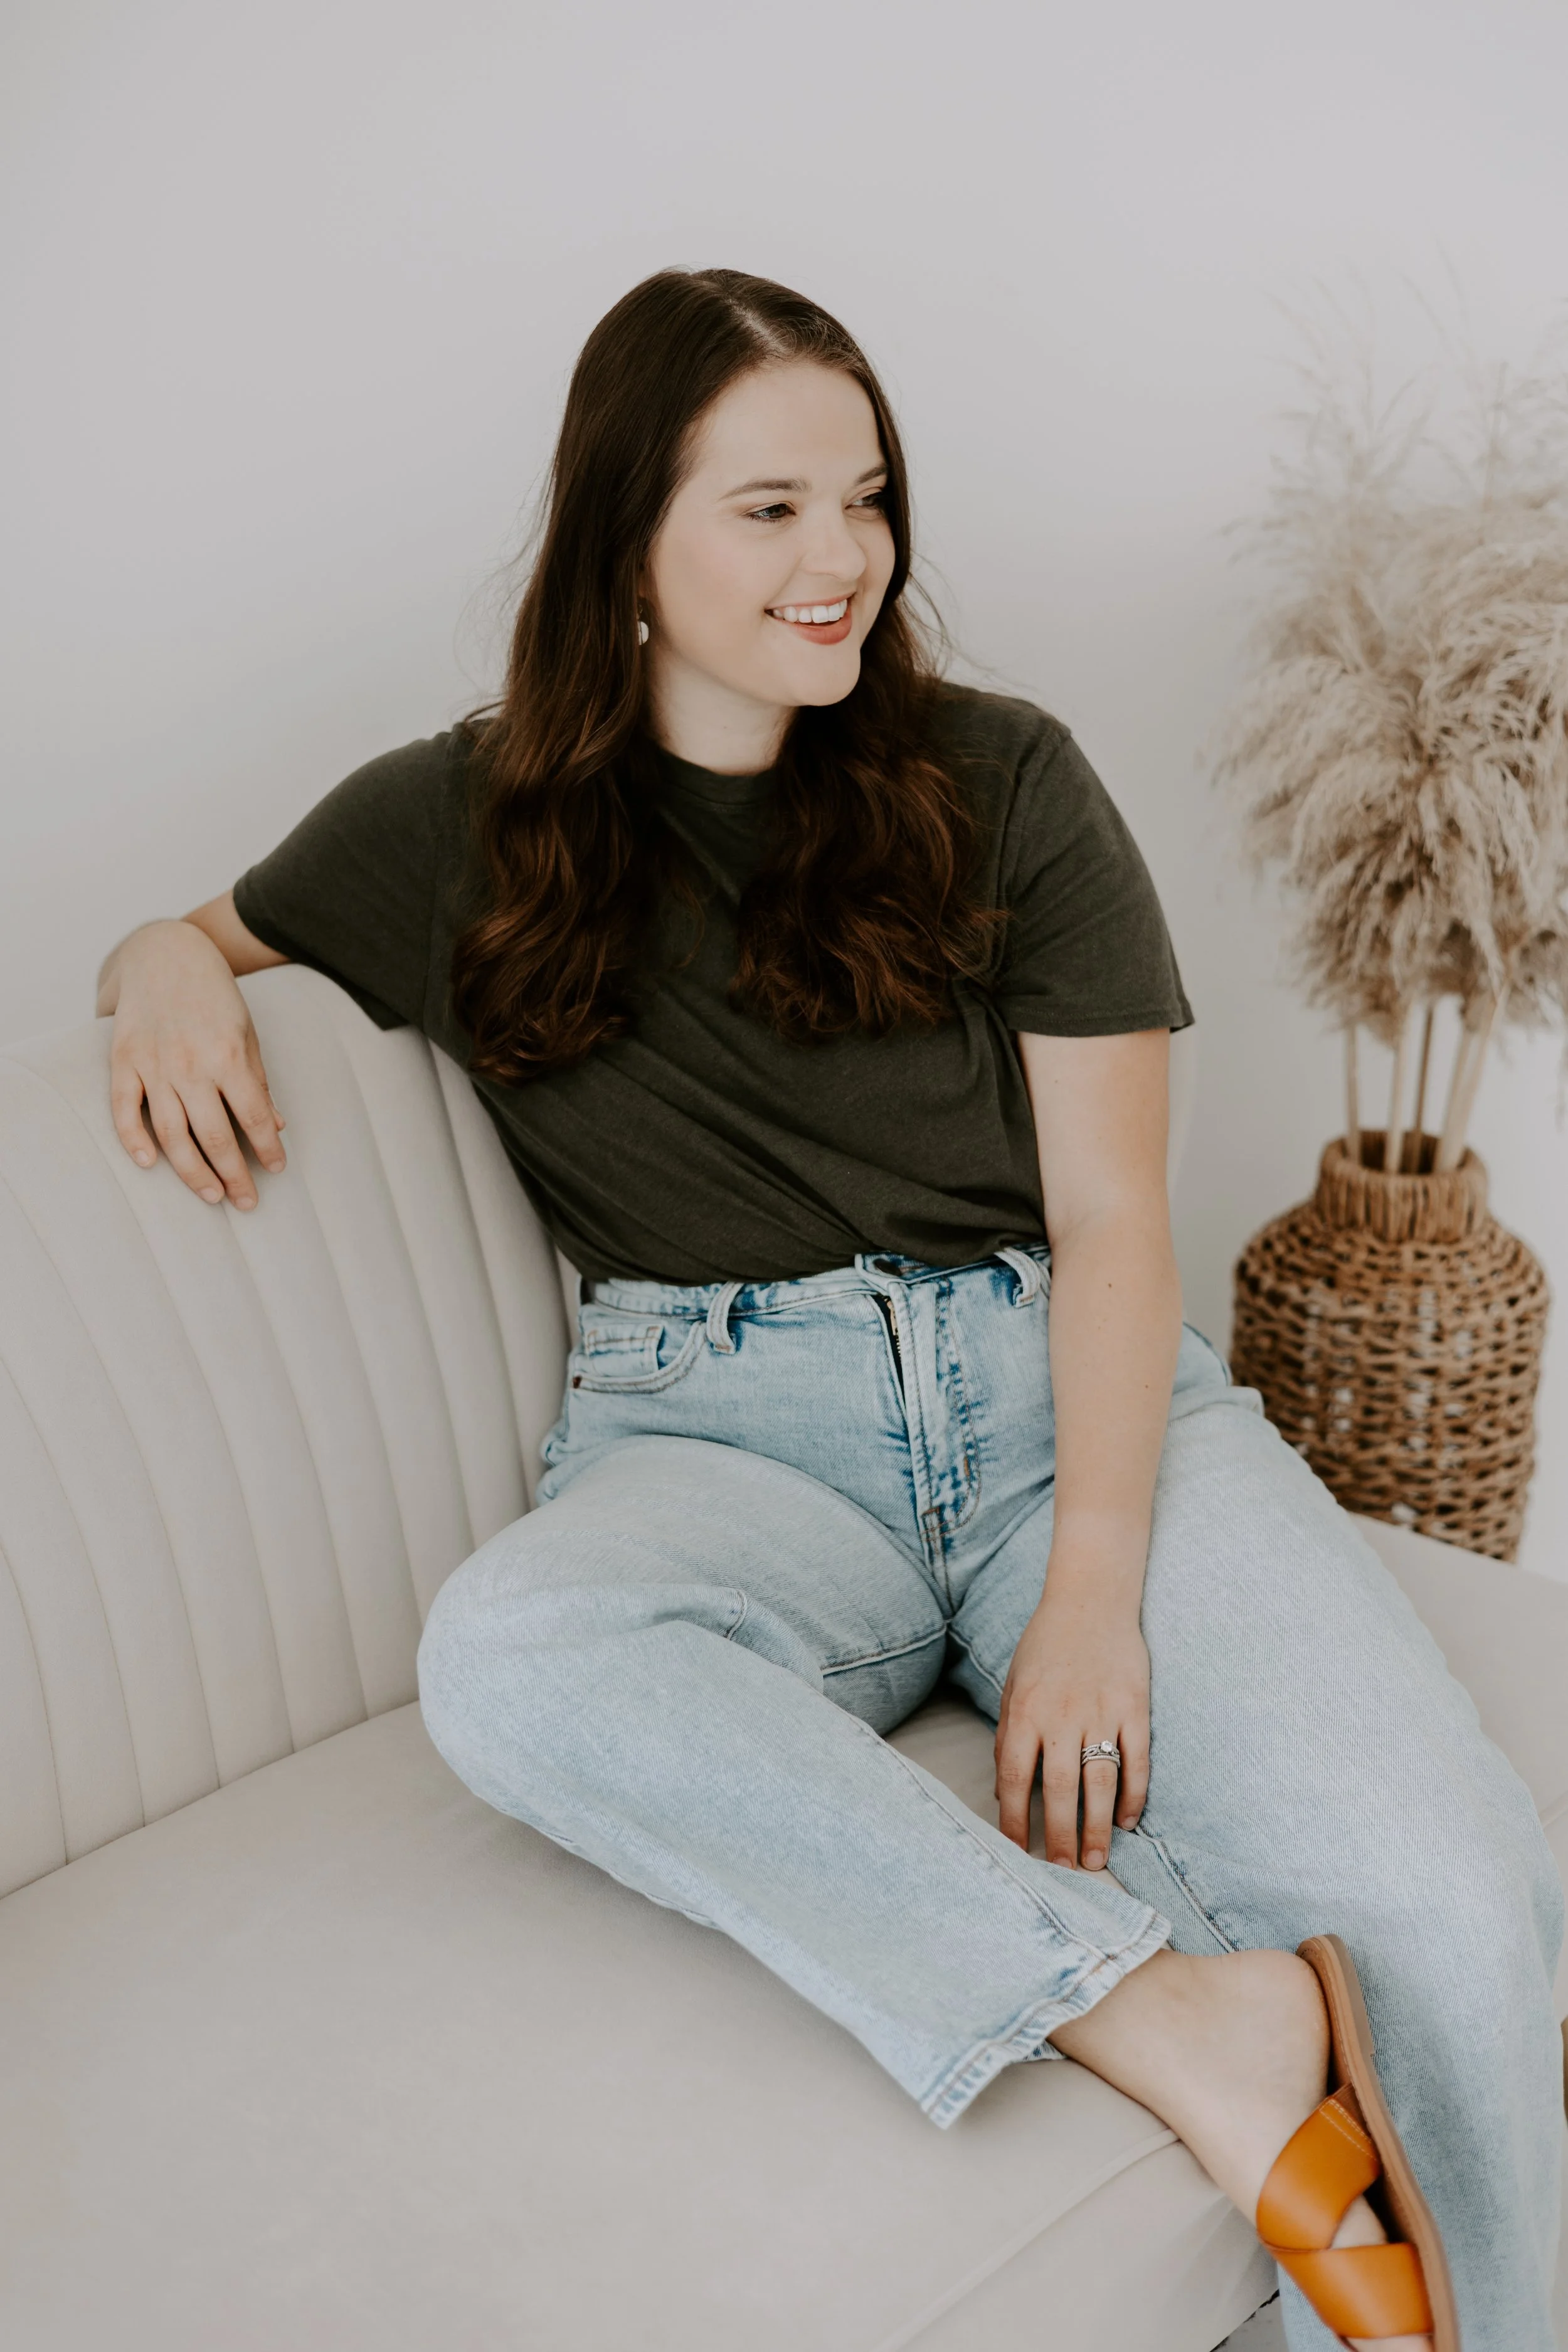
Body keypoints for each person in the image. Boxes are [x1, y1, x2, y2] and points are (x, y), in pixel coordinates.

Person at [97, 268, 1559, 2352]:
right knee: (512, 1653)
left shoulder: (1005, 779)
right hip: (717, 1438)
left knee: (1446, 1886)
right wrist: (154, 965)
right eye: (768, 507)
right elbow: (198, 934)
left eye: (861, 497)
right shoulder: (454, 822)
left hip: (1058, 1385)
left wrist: (1092, 1586)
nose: (842, 558)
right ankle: (1167, 2012)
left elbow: (1118, 1220)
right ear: (626, 545)